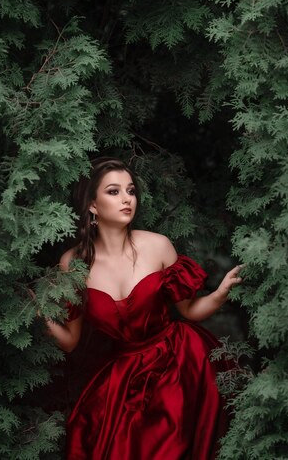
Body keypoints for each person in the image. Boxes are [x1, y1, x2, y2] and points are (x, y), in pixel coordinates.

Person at [44, 157, 243, 459]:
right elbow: (71, 341)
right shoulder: (73, 263)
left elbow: (188, 311)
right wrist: (40, 313)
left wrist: (220, 293)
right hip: (123, 375)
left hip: (178, 362)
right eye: (113, 191)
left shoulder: (158, 245)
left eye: (131, 190)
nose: (127, 199)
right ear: (92, 205)